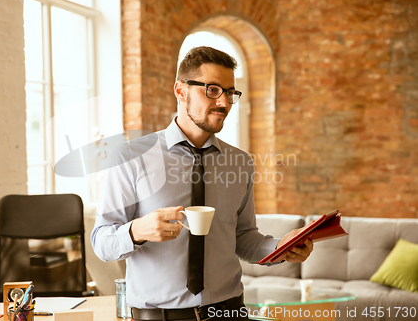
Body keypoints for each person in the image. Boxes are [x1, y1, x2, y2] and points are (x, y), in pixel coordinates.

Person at [91, 46, 313, 321]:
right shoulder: (131, 156)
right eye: (211, 89)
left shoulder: (240, 162)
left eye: (230, 92)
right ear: (180, 90)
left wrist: (281, 247)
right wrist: (138, 230)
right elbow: (101, 242)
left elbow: (243, 238)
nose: (224, 102)